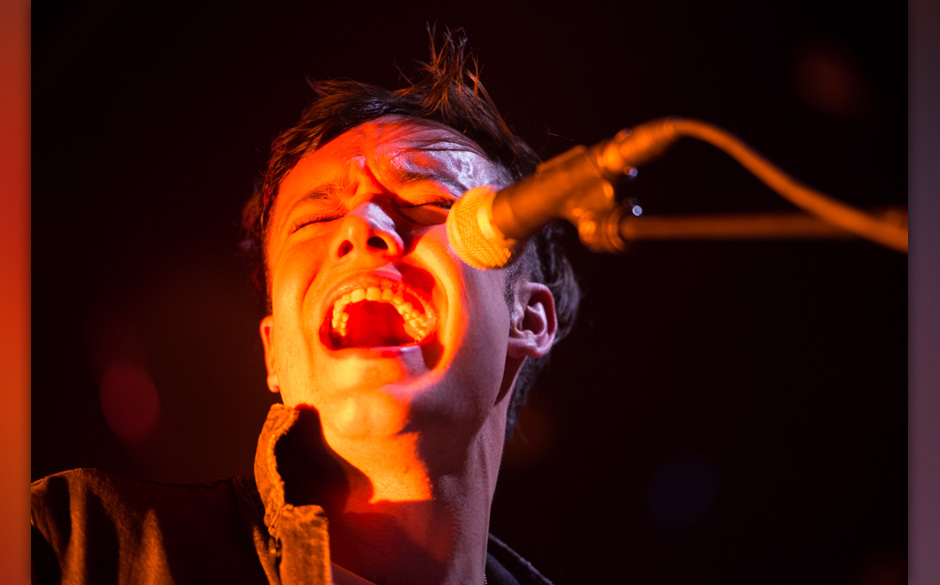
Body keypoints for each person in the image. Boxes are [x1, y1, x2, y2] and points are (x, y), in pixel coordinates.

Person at [31, 30, 580, 585]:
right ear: (274, 351)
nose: (364, 226)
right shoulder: (75, 544)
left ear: (529, 320)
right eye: (314, 220)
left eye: (429, 203)